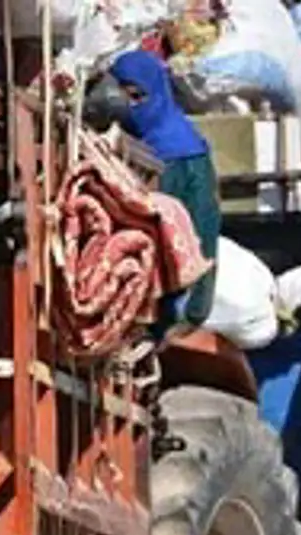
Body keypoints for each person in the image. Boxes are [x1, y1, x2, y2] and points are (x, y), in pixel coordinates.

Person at [107, 49, 220, 331]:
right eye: (125, 99)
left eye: (138, 97)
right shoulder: (136, 140)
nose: (133, 108)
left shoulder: (184, 154)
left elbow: (203, 233)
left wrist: (193, 311)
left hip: (171, 303)